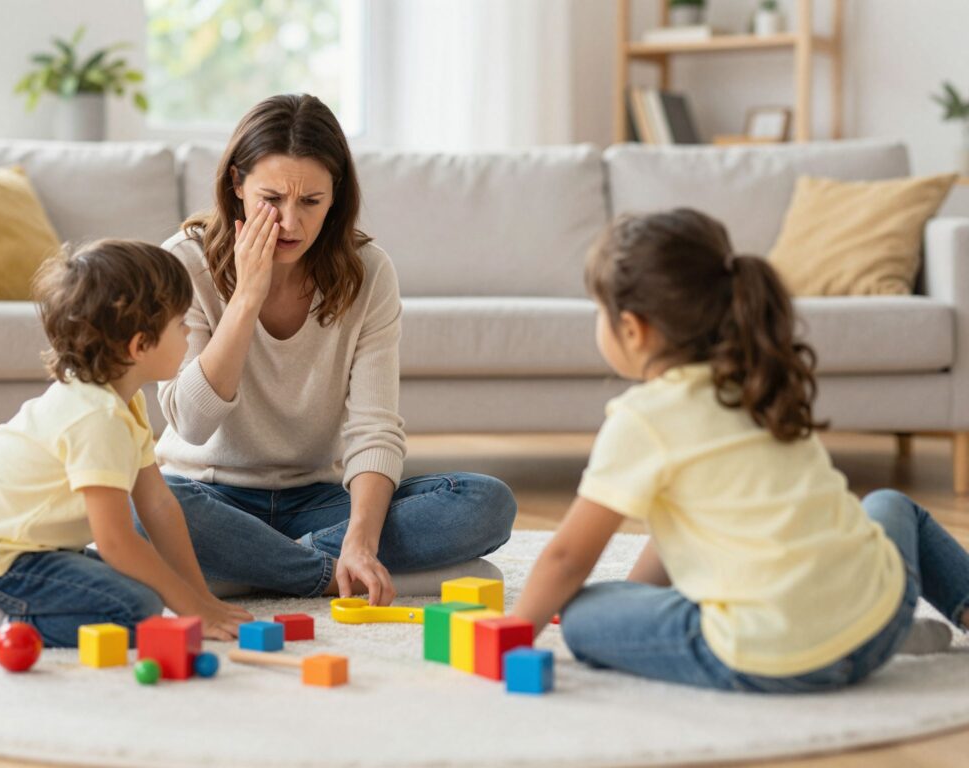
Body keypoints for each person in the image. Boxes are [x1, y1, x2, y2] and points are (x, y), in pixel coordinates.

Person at [512, 209, 969, 692]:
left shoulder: (643, 418)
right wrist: (637, 596)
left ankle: (831, 647)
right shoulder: (757, 380)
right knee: (894, 506)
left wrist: (513, 629)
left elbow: (567, 559)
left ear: (632, 328)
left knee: (583, 613)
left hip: (775, 657)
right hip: (878, 620)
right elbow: (677, 533)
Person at [156, 94, 516, 605]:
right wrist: (245, 299)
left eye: (311, 202)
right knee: (142, 501)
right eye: (271, 198)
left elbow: (374, 427)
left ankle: (248, 568)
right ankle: (315, 573)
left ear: (335, 195)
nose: (290, 224)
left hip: (318, 501)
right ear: (236, 184)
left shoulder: (369, 273)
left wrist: (362, 543)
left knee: (485, 503)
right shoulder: (184, 262)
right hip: (207, 494)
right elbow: (190, 424)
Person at [0, 241, 252, 647]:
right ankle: (0, 624)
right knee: (137, 606)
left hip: (34, 553)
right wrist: (191, 609)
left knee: (150, 584)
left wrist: (199, 599)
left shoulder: (125, 402)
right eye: (181, 324)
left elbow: (158, 506)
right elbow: (116, 542)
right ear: (139, 345)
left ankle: (9, 613)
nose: (190, 332)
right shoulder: (96, 417)